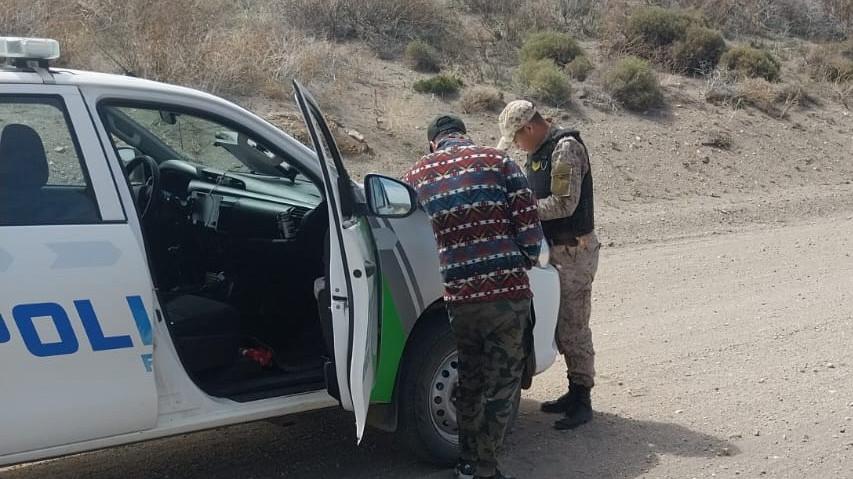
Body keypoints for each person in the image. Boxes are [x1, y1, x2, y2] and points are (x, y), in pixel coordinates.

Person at [403, 115, 544, 479]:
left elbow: (403, 220)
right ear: (464, 136)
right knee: (501, 386)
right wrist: (522, 259)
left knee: (470, 380)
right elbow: (529, 226)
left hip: (459, 297)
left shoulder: (418, 174)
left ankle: (466, 462)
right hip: (506, 294)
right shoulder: (499, 162)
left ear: (433, 143)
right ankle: (485, 469)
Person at [496, 100, 600, 431]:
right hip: (552, 250)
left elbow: (564, 203)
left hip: (572, 252)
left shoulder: (564, 148)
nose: (517, 145)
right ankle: (574, 391)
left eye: (517, 138)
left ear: (530, 127)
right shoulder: (540, 151)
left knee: (573, 325)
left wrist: (520, 209)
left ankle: (582, 398)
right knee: (556, 325)